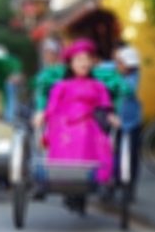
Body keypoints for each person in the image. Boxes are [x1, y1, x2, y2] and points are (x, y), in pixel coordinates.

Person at [43, 38, 119, 185]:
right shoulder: (61, 86)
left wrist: (111, 116)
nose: (84, 63)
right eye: (79, 60)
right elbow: (51, 108)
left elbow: (105, 106)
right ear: (71, 63)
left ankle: (89, 176)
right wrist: (42, 116)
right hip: (63, 124)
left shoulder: (98, 86)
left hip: (89, 123)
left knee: (86, 133)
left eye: (87, 59)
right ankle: (66, 175)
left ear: (91, 62)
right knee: (70, 133)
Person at [113, 45, 142, 197]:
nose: (120, 66)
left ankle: (129, 188)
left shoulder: (133, 77)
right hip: (115, 122)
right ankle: (114, 183)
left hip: (132, 123)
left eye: (123, 63)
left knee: (131, 156)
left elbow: (128, 89)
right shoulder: (114, 72)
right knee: (114, 153)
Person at [32, 38, 66, 128]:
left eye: (50, 52)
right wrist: (40, 110)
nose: (47, 55)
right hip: (48, 110)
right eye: (45, 52)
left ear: (56, 54)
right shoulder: (44, 72)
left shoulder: (63, 70)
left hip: (62, 109)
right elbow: (41, 93)